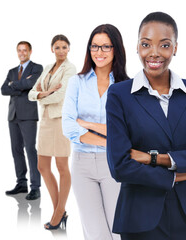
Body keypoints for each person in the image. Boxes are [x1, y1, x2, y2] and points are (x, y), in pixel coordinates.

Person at [106, 12, 186, 240]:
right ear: (137, 47)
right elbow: (119, 166)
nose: (154, 53)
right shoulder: (119, 95)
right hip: (140, 217)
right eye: (146, 44)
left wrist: (154, 159)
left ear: (175, 48)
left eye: (164, 45)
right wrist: (185, 169)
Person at [62, 24, 129, 240]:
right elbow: (68, 126)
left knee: (118, 230)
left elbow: (127, 132)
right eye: (94, 46)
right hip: (82, 165)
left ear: (116, 49)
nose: (99, 52)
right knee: (96, 233)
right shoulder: (76, 82)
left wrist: (86, 124)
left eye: (105, 47)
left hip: (114, 164)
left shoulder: (127, 86)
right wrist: (109, 141)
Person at [28, 34, 76, 230]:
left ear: (69, 49)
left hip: (60, 120)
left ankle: (58, 211)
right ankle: (60, 210)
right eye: (57, 47)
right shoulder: (48, 68)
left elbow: (61, 96)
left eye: (64, 47)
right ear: (52, 49)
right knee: (42, 166)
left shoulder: (70, 69)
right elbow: (32, 93)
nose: (61, 51)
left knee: (62, 165)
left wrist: (41, 95)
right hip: (46, 120)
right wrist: (45, 93)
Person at [1, 41, 43, 200]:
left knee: (30, 150)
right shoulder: (12, 71)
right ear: (17, 52)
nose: (22, 53)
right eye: (19, 50)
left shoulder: (36, 68)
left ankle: (35, 187)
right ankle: (21, 183)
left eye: (25, 50)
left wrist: (14, 85)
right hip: (13, 116)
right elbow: (4, 89)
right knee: (16, 150)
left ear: (30, 51)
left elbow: (32, 83)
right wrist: (20, 86)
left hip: (28, 115)